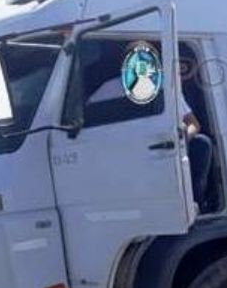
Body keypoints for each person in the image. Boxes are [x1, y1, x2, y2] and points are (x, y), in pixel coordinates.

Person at [87, 78, 213, 210]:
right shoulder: (106, 91)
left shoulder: (165, 87)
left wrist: (182, 137)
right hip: (122, 155)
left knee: (201, 144)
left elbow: (193, 124)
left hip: (161, 149)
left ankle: (195, 205)